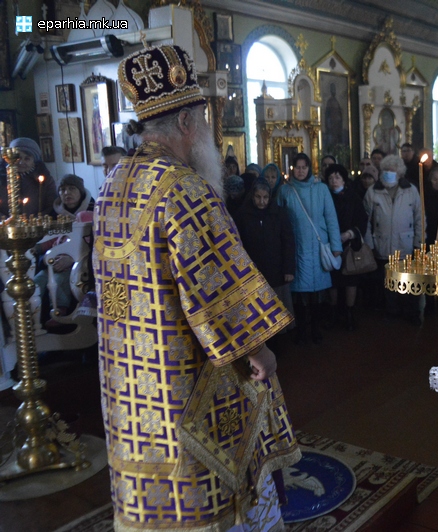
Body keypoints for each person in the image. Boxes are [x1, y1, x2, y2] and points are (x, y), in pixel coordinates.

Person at [95, 44, 300, 532]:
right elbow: (215, 289)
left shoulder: (112, 184)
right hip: (185, 377)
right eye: (205, 119)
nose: (209, 131)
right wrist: (261, 350)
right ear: (187, 124)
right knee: (216, 491)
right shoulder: (184, 189)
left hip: (129, 383)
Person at [276, 152, 341, 344]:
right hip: (296, 248)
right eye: (298, 167)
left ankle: (315, 328)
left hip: (317, 247)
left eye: (304, 167)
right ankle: (302, 330)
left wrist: (336, 246)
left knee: (316, 293)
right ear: (293, 169)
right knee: (299, 294)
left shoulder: (321, 189)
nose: (301, 171)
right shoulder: (285, 191)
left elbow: (331, 218)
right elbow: (278, 221)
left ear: (309, 168)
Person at [363, 155, 423, 324]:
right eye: (387, 170)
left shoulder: (411, 190)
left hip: (406, 244)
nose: (390, 173)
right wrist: (369, 243)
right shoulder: (373, 191)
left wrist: (419, 241)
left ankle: (412, 312)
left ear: (400, 172)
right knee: (389, 283)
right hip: (383, 244)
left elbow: (420, 218)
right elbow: (366, 220)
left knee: (409, 281)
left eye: (393, 170)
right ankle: (392, 312)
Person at [234, 178, 296, 333]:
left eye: (265, 198)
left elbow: (288, 242)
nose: (262, 201)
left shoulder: (279, 214)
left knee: (277, 311)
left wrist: (289, 269)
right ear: (252, 196)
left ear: (270, 197)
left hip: (276, 269)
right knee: (257, 314)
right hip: (253, 271)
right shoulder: (243, 215)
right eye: (258, 197)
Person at [33, 174, 95, 320]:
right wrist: (40, 250)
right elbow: (51, 240)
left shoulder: (91, 213)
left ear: (80, 191)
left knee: (59, 281)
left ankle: (60, 315)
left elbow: (91, 243)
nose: (66, 193)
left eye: (72, 188)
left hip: (78, 264)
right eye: (62, 189)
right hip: (53, 261)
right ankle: (31, 316)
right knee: (36, 282)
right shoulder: (54, 216)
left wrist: (71, 259)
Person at [325, 164, 368, 330]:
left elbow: (361, 220)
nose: (334, 181)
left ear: (343, 179)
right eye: (330, 178)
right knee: (333, 281)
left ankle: (350, 314)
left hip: (349, 244)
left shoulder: (353, 197)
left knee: (350, 278)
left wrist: (350, 234)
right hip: (331, 246)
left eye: (337, 177)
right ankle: (334, 312)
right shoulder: (326, 196)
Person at [0, 137, 56, 217]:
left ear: (34, 161)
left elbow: (50, 205)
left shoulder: (45, 179)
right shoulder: (1, 177)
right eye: (18, 158)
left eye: (27, 159)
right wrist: (6, 221)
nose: (21, 162)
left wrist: (34, 221)